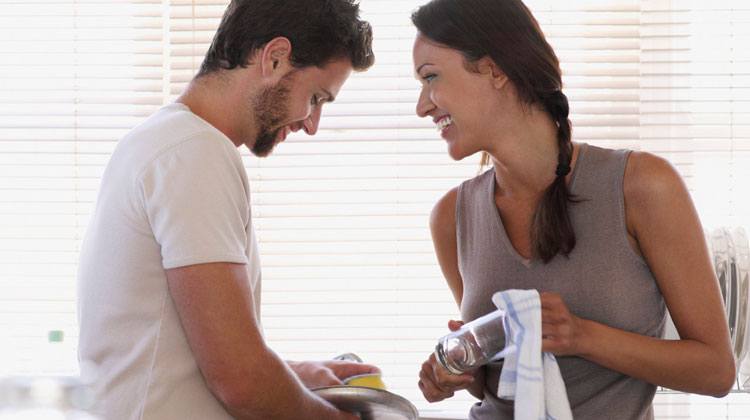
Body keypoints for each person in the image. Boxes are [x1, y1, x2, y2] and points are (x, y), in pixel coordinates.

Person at [410, 0, 736, 418]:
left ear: (494, 69)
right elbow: (496, 382)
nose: (422, 105)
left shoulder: (642, 186)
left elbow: (715, 371)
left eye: (431, 77)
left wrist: (581, 335)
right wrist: (455, 370)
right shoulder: (451, 216)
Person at [77, 1, 376, 418]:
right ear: (274, 58)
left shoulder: (161, 142)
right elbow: (241, 381)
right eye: (316, 98)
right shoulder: (194, 152)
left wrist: (297, 373)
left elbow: (179, 359)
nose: (312, 124)